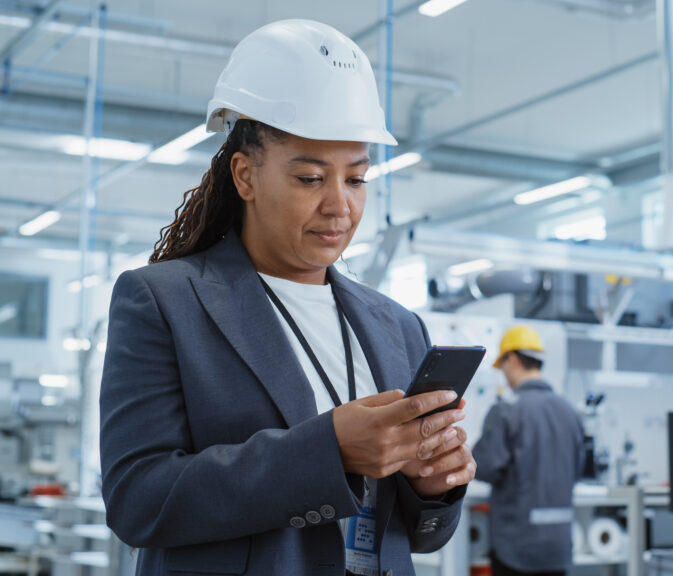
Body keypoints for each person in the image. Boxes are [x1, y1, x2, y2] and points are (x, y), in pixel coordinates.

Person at [99, 20, 476, 576]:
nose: (339, 206)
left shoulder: (398, 326)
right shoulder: (164, 302)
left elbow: (421, 538)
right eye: (309, 179)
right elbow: (138, 500)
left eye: (356, 179)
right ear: (245, 175)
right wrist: (328, 452)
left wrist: (434, 487)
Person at [472, 326, 585, 576]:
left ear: (511, 360)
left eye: (502, 367)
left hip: (516, 546)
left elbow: (483, 465)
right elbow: (578, 469)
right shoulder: (569, 411)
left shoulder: (507, 410)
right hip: (558, 546)